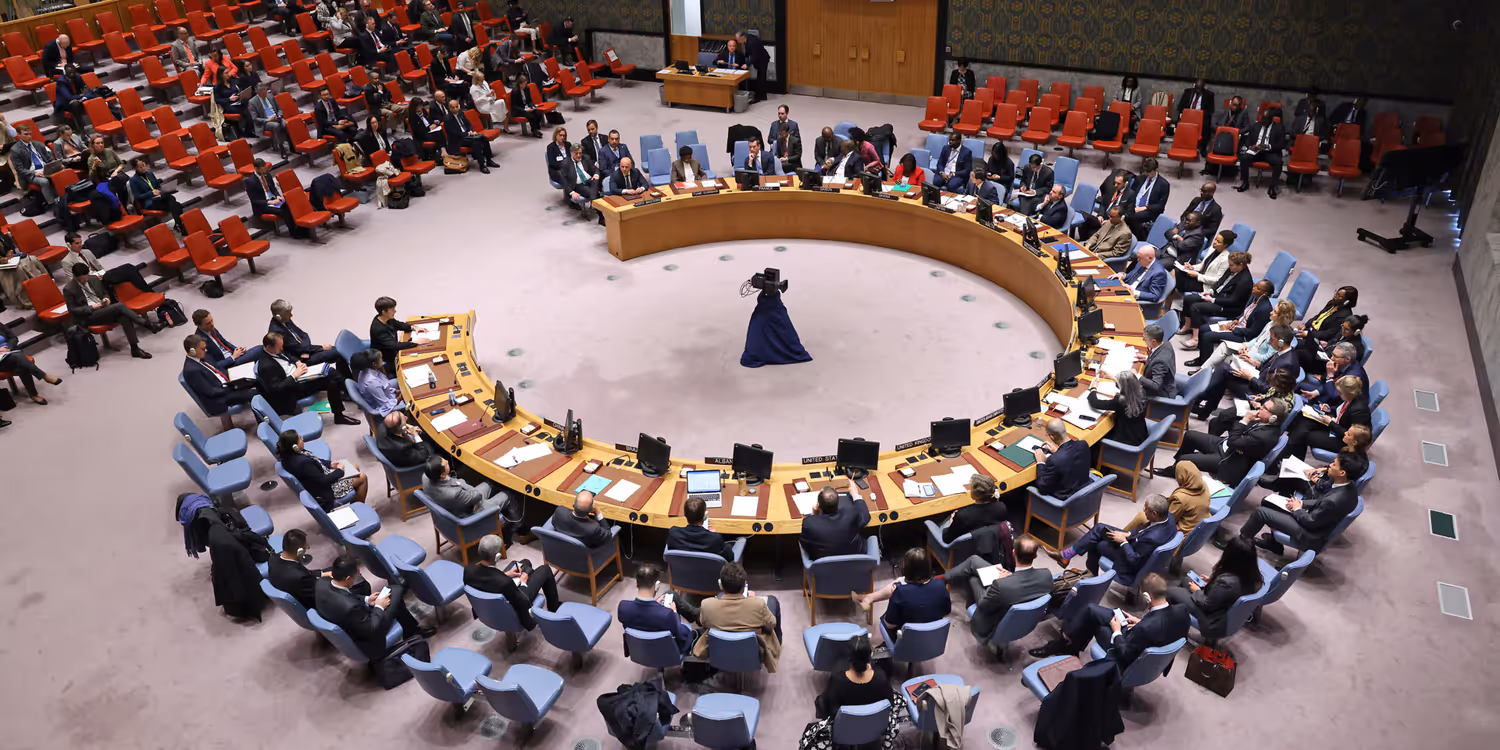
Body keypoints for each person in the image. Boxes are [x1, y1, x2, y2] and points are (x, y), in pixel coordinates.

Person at [1029, 573, 1189, 666]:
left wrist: (1117, 631)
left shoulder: (1147, 628)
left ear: (1147, 596)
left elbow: (1125, 653)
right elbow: (1164, 629)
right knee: (1090, 609)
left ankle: (1063, 645)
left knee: (1092, 622)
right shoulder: (1182, 611)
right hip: (1144, 636)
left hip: (1129, 648)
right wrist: (1140, 621)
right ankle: (1068, 645)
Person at [1231, 452, 1366, 555]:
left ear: (1342, 472)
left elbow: (1310, 522)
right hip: (1316, 520)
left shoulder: (1335, 500)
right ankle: (1274, 544)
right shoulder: (1348, 487)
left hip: (1310, 534)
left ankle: (1239, 548)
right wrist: (1301, 503)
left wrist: (1297, 509)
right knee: (1268, 501)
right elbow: (1321, 501)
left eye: (1334, 464)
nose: (1329, 465)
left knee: (1260, 512)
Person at [314, 555, 434, 661]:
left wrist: (366, 599)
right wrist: (378, 607)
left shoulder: (322, 583)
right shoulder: (350, 607)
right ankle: (412, 631)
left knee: (393, 599)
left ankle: (411, 629)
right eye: (356, 575)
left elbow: (344, 596)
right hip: (369, 638)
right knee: (396, 590)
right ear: (348, 579)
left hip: (350, 622)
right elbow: (371, 628)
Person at [945, 537, 1053, 638]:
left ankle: (939, 580)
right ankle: (942, 578)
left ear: (1013, 552)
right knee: (974, 561)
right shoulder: (1046, 575)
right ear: (1036, 555)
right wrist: (1011, 577)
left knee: (973, 579)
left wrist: (999, 581)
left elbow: (983, 605)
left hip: (995, 620)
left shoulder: (1001, 585)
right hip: (1017, 598)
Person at [1049, 494, 1177, 577]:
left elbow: (1134, 560)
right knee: (1100, 528)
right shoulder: (1167, 517)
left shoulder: (1153, 538)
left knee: (1096, 544)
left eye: (1146, 510)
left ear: (1154, 514)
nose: (1144, 511)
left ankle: (1089, 575)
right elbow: (1145, 529)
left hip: (1131, 559)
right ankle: (1067, 556)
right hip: (1134, 543)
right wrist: (1128, 533)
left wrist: (1123, 542)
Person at [1167, 398, 1285, 485]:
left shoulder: (1264, 436)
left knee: (1184, 459)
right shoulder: (1263, 421)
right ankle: (1174, 470)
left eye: (1265, 408)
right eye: (1262, 405)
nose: (1260, 408)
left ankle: (1177, 470)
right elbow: (1235, 437)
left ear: (1273, 417)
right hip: (1227, 447)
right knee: (1190, 435)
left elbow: (1233, 441)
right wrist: (1238, 440)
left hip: (1228, 461)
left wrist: (1245, 420)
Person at [1192, 324, 1298, 419]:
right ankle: (1201, 406)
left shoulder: (1287, 363)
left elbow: (1269, 390)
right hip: (1257, 380)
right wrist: (1255, 363)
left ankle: (1195, 401)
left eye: (1272, 338)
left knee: (1224, 372)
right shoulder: (1282, 353)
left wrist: (1249, 377)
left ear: (1280, 342)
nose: (1269, 341)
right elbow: (1268, 369)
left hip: (1258, 394)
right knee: (1225, 370)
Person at [693, 561, 781, 671]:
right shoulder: (758, 604)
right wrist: (752, 600)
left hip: (720, 651)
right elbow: (771, 625)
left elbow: (704, 623)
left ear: (721, 584)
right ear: (745, 585)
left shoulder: (707, 605)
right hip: (751, 651)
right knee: (773, 602)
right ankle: (777, 647)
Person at [256, 331, 360, 424]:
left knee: (332, 380)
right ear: (269, 347)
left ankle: (340, 414)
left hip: (299, 374)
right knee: (331, 373)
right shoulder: (266, 365)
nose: (282, 348)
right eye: (280, 347)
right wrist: (294, 375)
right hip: (293, 388)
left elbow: (288, 354)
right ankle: (356, 393)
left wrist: (297, 362)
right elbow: (277, 389)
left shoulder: (275, 350)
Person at [1172, 535, 1263, 640]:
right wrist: (1212, 583)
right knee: (1186, 580)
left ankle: (1170, 627)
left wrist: (1196, 590)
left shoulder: (1226, 582)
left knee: (1172, 592)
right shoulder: (1253, 576)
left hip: (1213, 619)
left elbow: (1206, 604)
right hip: (1224, 609)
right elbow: (1228, 593)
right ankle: (1179, 617)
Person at [63, 263, 157, 359]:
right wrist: (92, 307)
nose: (85, 280)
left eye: (86, 277)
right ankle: (147, 324)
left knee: (124, 317)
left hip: (103, 310)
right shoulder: (69, 289)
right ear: (75, 277)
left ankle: (135, 349)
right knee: (120, 306)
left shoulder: (93, 278)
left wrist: (106, 299)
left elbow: (104, 293)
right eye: (82, 279)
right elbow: (73, 310)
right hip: (88, 316)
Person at [851, 548, 950, 637]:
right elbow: (946, 612)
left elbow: (889, 625)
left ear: (906, 568)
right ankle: (869, 598)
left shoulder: (900, 592)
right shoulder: (940, 585)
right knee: (900, 583)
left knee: (898, 587)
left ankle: (868, 598)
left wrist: (896, 595)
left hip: (906, 637)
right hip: (934, 635)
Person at [1189, 298, 1294, 373]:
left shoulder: (1281, 334)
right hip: (1250, 349)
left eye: (1274, 312)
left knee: (1228, 358)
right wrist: (1246, 345)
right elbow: (1257, 339)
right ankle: (1202, 371)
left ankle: (1208, 375)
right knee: (1224, 346)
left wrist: (1249, 354)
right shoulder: (1270, 323)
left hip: (1254, 359)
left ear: (1282, 316)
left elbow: (1266, 358)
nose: (1270, 313)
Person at [1260, 424, 1370, 496]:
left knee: (1292, 476)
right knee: (1293, 469)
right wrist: (1319, 470)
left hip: (1324, 490)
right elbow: (1333, 466)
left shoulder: (1352, 462)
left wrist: (1315, 478)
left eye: (1348, 434)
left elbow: (1330, 486)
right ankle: (1279, 489)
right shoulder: (1348, 450)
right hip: (1326, 478)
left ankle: (1282, 501)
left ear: (1355, 442)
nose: (1344, 433)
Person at [1283, 375, 1371, 462]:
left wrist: (1330, 423)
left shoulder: (1360, 411)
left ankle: (1287, 458)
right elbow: (1341, 409)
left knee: (1305, 435)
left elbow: (1351, 435)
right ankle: (1289, 458)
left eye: (1340, 392)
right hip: (1336, 424)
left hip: (1344, 441)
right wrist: (1329, 409)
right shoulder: (1351, 397)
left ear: (1350, 393)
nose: (1338, 394)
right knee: (1302, 421)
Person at [617, 563, 698, 655]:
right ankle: (698, 616)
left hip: (641, 650)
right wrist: (674, 612)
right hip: (665, 651)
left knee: (670, 593)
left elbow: (643, 617)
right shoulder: (667, 614)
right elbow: (681, 634)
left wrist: (654, 603)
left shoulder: (623, 607)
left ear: (636, 583)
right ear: (657, 585)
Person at [277, 429, 368, 508]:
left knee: (355, 466)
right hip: (327, 489)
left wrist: (330, 464)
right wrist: (339, 471)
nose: (302, 439)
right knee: (363, 478)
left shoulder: (291, 454)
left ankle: (356, 502)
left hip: (322, 476)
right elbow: (324, 481)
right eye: (300, 438)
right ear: (294, 446)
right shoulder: (303, 463)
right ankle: (359, 508)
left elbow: (315, 459)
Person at [1179, 251, 1254, 339]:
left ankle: (1195, 339)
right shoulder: (1233, 268)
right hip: (1217, 297)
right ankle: (1187, 326)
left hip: (1228, 307)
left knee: (1195, 307)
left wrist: (1212, 300)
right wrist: (1211, 291)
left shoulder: (1245, 281)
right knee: (1188, 299)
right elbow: (1220, 281)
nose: (1229, 267)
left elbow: (1233, 300)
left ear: (1241, 265)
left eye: (1231, 265)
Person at [422, 456, 514, 528]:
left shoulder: (426, 477)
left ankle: (500, 515)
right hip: (468, 515)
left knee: (489, 483)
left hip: (455, 506)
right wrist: (474, 500)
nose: (447, 461)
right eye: (445, 464)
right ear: (442, 475)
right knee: (508, 495)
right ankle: (516, 529)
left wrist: (472, 499)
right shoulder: (454, 494)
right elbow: (477, 496)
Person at [182, 332, 256, 412]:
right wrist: (232, 387)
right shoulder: (192, 371)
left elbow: (218, 368)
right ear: (192, 351)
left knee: (258, 380)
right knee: (255, 392)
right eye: (203, 349)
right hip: (220, 398)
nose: (206, 350)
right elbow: (210, 391)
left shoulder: (203, 356)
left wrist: (235, 377)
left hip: (226, 384)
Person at [1135, 461, 1211, 535]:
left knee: (1141, 517)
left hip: (1179, 532)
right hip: (1194, 528)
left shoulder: (1180, 498)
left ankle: (1123, 538)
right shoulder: (1205, 488)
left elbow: (1167, 520)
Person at [265, 529, 333, 610]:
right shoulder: (299, 577)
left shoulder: (273, 559)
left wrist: (322, 574)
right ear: (299, 552)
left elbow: (305, 575)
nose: (307, 548)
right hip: (313, 603)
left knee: (330, 571)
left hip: (298, 589)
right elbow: (316, 598)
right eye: (306, 546)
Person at [0, 321, 60, 408]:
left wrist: (8, 348)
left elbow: (13, 338)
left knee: (20, 363)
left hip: (10, 352)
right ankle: (44, 377)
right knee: (19, 358)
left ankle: (34, 393)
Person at [800, 486, 871, 560]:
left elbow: (805, 546)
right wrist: (856, 496)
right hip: (855, 561)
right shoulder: (851, 514)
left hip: (823, 565)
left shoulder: (809, 523)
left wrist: (815, 515)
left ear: (818, 506)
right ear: (838, 504)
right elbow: (865, 517)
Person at [1295, 286, 1359, 358]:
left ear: (1347, 302)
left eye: (1339, 296)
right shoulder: (1332, 303)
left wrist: (1308, 334)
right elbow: (1318, 316)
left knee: (1294, 345)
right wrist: (1305, 325)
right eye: (1336, 293)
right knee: (1288, 334)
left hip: (1317, 338)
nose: (1335, 296)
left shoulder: (1344, 316)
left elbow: (1328, 334)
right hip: (1309, 330)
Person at [1032, 418, 1090, 498]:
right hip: (1084, 488)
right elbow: (1071, 459)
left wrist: (1040, 462)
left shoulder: (1054, 460)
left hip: (1067, 497)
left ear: (1052, 437)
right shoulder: (1083, 444)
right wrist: (1058, 452)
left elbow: (1043, 487)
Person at [939, 474, 1006, 543]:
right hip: (987, 544)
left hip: (962, 548)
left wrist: (952, 522)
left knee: (942, 522)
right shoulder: (1001, 507)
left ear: (976, 496)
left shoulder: (962, 516)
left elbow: (947, 539)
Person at [1237, 108, 1288, 198]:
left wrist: (1268, 146)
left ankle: (1272, 187)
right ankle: (1245, 182)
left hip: (1270, 152)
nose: (1263, 120)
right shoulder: (1256, 126)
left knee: (1278, 162)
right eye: (1262, 118)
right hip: (1256, 151)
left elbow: (1282, 144)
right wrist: (1250, 146)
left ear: (1271, 119)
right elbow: (1248, 139)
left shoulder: (1279, 128)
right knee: (1244, 158)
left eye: (1265, 119)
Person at [1087, 370, 1147, 445]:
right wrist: (1112, 377)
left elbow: (1095, 403)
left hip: (1125, 439)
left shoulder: (1120, 402)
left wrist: (1093, 388)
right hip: (1140, 434)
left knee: (1095, 438)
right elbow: (1128, 384)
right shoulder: (1142, 393)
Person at [666, 496, 735, 559]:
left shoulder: (673, 533)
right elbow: (730, 557)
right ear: (704, 516)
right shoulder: (715, 538)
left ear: (685, 515)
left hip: (683, 570)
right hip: (709, 571)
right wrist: (712, 535)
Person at [245, 159, 300, 237]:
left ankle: (300, 228)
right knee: (284, 211)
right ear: (256, 169)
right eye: (262, 170)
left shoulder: (267, 175)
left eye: (265, 169)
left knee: (290, 205)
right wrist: (270, 202)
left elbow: (273, 189)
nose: (265, 172)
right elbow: (254, 201)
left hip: (274, 200)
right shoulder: (250, 182)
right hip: (263, 205)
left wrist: (277, 195)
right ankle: (294, 232)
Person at [443, 97, 499, 173]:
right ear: (450, 108)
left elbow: (468, 124)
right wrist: (467, 133)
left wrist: (471, 131)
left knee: (484, 138)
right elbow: (454, 134)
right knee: (476, 142)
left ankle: (489, 160)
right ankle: (482, 165)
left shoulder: (461, 113)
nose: (456, 109)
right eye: (453, 108)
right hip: (458, 140)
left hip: (467, 135)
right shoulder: (447, 119)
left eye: (457, 107)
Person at [129, 158, 186, 232]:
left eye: (143, 165)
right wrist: (151, 193)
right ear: (135, 168)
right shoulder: (133, 180)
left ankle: (179, 224)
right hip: (150, 202)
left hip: (159, 197)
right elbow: (138, 196)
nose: (143, 167)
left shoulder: (150, 174)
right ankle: (180, 224)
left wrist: (160, 190)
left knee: (171, 199)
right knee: (175, 204)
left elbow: (158, 186)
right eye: (140, 166)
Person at [1174, 228, 1234, 298]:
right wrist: (1192, 267)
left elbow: (1217, 280)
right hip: (1200, 277)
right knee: (1176, 272)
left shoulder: (1225, 259)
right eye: (1215, 239)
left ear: (1225, 245)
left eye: (1218, 242)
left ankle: (1167, 304)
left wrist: (1198, 276)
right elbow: (1203, 265)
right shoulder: (1212, 248)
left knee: (1177, 279)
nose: (1215, 242)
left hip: (1206, 285)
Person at [1124, 158, 1169, 239]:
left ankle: (1135, 237)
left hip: (1148, 210)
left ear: (1156, 170)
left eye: (1149, 172)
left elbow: (1160, 206)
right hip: (1133, 205)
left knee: (1132, 217)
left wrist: (1144, 208)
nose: (1147, 174)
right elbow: (1132, 192)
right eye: (1145, 171)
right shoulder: (1140, 178)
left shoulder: (1164, 184)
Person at [368, 296, 417, 371]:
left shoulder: (386, 318)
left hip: (393, 351)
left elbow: (397, 324)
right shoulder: (377, 329)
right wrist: (415, 342)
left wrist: (413, 328)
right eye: (392, 309)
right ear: (384, 312)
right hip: (387, 359)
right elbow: (394, 346)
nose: (395, 311)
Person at [9, 125, 56, 203]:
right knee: (44, 181)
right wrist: (34, 173)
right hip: (31, 174)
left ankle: (65, 198)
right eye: (26, 134)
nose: (29, 136)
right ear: (19, 135)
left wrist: (55, 165)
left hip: (46, 169)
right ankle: (52, 203)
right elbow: (20, 169)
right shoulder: (15, 150)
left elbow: (49, 158)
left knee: (63, 172)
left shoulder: (38, 144)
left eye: (30, 134)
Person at [351, 349, 402, 416]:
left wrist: (395, 391)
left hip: (387, 396)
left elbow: (382, 386)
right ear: (374, 364)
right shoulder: (371, 382)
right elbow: (386, 405)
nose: (382, 360)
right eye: (381, 359)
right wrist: (401, 397)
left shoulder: (367, 370)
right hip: (383, 406)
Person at [247, 83, 288, 157]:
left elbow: (279, 108)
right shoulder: (252, 102)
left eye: (266, 89)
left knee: (287, 124)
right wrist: (267, 120)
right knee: (276, 126)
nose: (265, 92)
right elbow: (255, 118)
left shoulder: (270, 96)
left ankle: (292, 145)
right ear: (258, 92)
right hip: (265, 122)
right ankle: (281, 147)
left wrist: (279, 115)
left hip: (276, 117)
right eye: (263, 90)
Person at [561, 143, 602, 216]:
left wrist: (596, 174)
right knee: (592, 192)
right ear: (571, 153)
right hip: (579, 185)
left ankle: (594, 199)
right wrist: (571, 192)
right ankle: (600, 214)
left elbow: (595, 169)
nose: (579, 155)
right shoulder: (566, 163)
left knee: (595, 182)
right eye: (576, 153)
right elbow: (563, 180)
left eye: (580, 153)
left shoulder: (586, 158)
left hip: (590, 180)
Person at [1137, 323, 1177, 398]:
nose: (1143, 340)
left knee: (1129, 392)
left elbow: (1155, 385)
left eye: (1144, 339)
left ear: (1154, 341)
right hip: (1166, 382)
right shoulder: (1166, 344)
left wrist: (1137, 376)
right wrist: (1147, 358)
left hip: (1162, 393)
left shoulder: (1160, 361)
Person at [734, 29, 771, 103]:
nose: (737, 41)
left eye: (738, 39)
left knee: (761, 78)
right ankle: (762, 95)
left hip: (762, 59)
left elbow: (755, 56)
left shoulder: (752, 42)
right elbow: (748, 52)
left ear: (742, 38)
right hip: (758, 58)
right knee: (760, 77)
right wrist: (745, 60)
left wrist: (747, 64)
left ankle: (759, 96)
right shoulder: (747, 39)